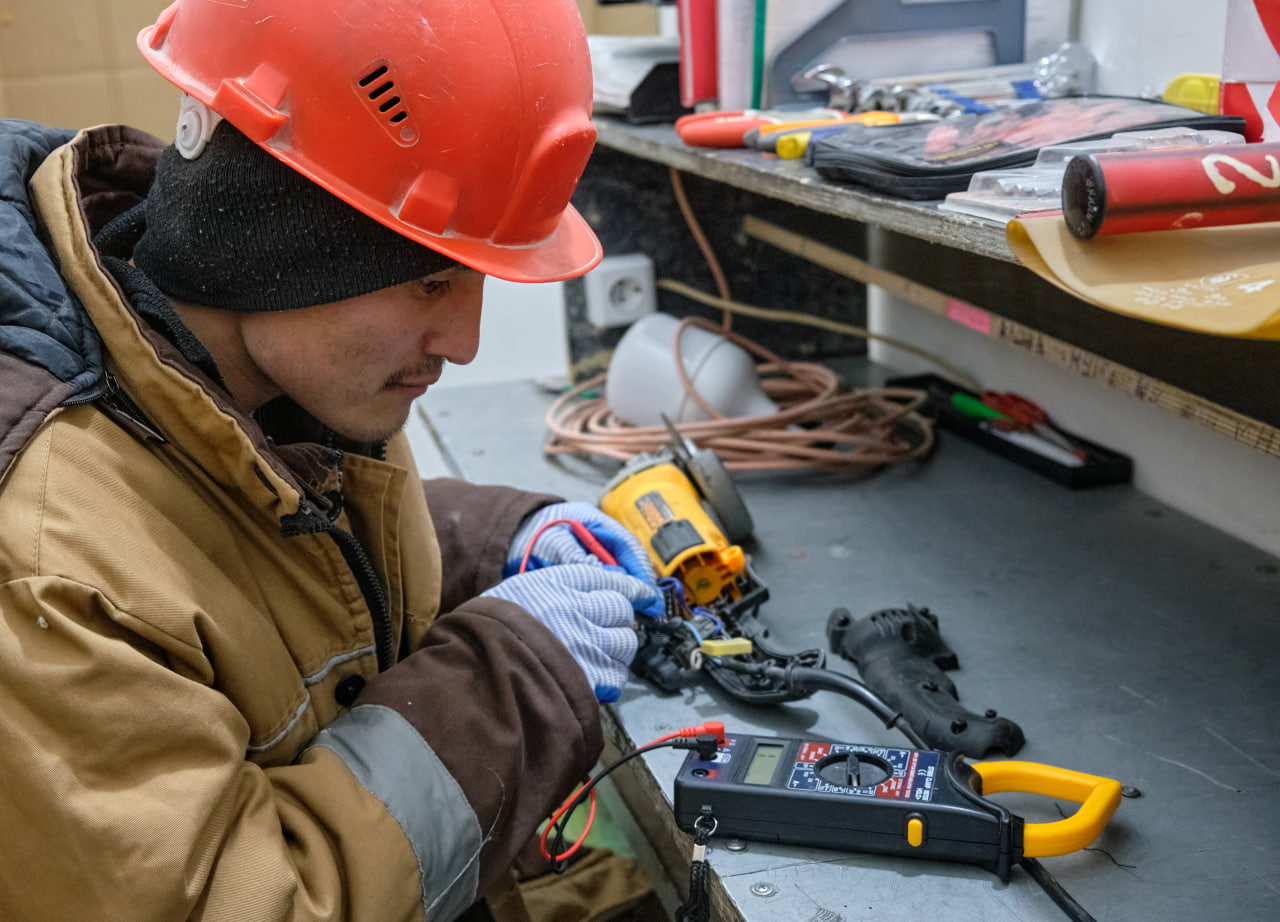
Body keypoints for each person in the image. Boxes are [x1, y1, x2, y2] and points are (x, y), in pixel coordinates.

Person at [0, 0, 665, 919]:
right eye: (432, 276)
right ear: (277, 238)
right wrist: (514, 680)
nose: (464, 341)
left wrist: (498, 541)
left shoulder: (259, 377)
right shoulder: (43, 568)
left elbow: (257, 546)